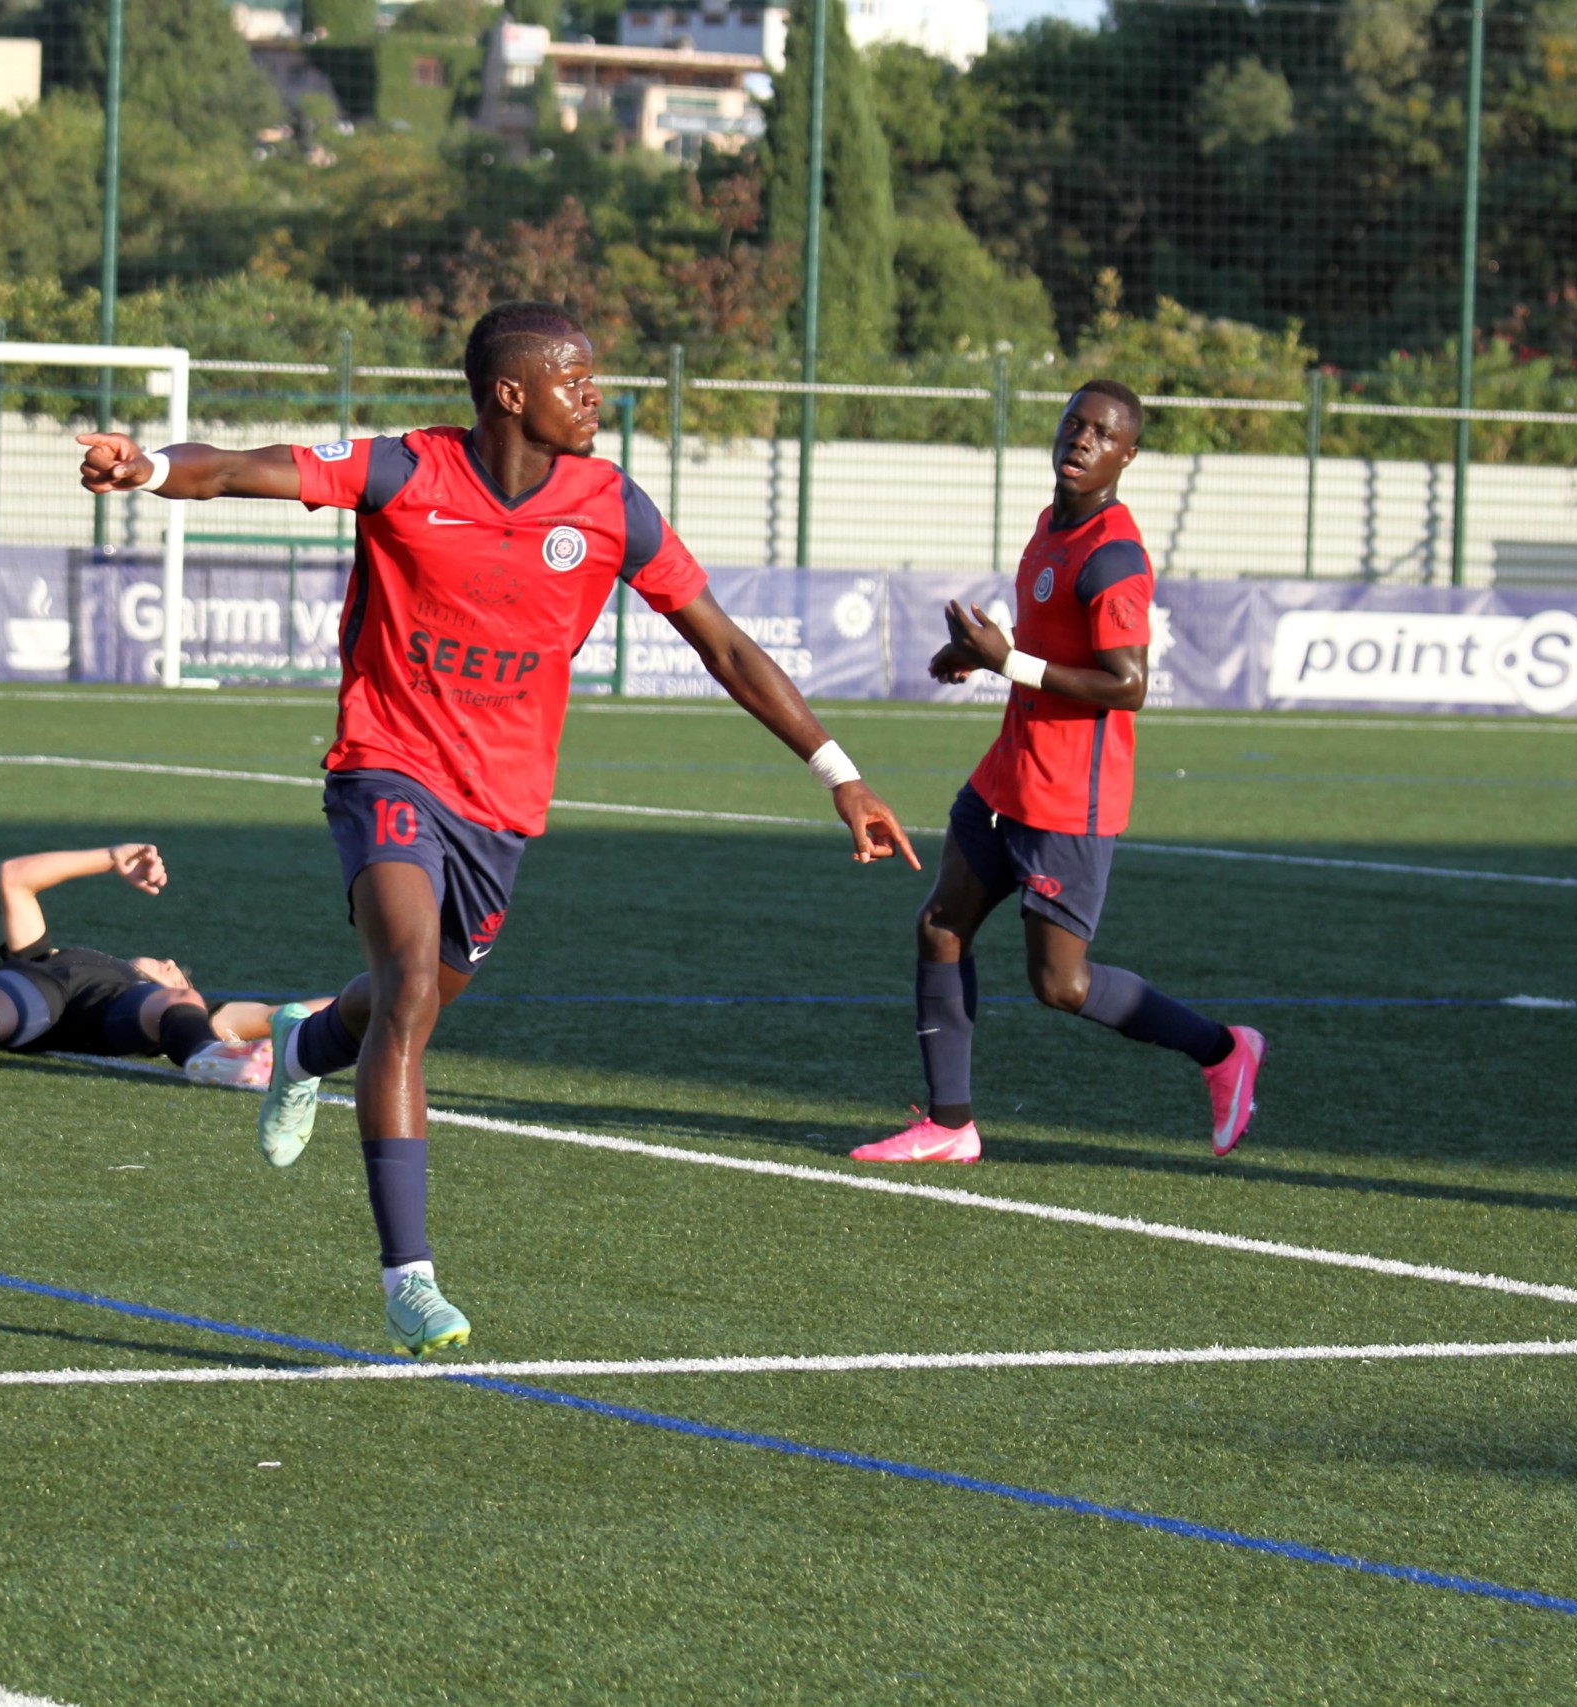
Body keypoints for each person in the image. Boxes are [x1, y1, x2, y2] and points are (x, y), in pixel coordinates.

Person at [76, 301, 918, 1356]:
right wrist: (147, 466)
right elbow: (242, 466)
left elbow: (727, 646)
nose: (596, 397)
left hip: (500, 807)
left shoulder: (612, 505)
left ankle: (302, 1041)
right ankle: (408, 1278)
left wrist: (838, 772)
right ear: (511, 394)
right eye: (575, 380)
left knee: (412, 993)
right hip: (384, 765)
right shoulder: (404, 472)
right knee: (413, 985)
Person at [850, 379, 1265, 1166]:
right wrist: (980, 655)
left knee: (1059, 985)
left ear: (1127, 455)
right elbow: (1044, 648)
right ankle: (949, 1124)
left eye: (1103, 434)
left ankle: (1222, 1050)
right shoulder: (1049, 525)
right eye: (1075, 424)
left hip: (1069, 800)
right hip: (1005, 776)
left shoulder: (1115, 554)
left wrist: (1014, 661)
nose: (1082, 440)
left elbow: (1128, 684)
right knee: (940, 926)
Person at [0, 843, 276, 1089]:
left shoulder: (187, 1007)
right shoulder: (43, 956)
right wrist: (109, 857)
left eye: (176, 972)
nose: (169, 963)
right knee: (6, 993)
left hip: (115, 1017)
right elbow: (15, 877)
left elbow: (277, 1014)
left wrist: (336, 1008)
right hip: (39, 989)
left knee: (173, 1003)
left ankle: (208, 1055)